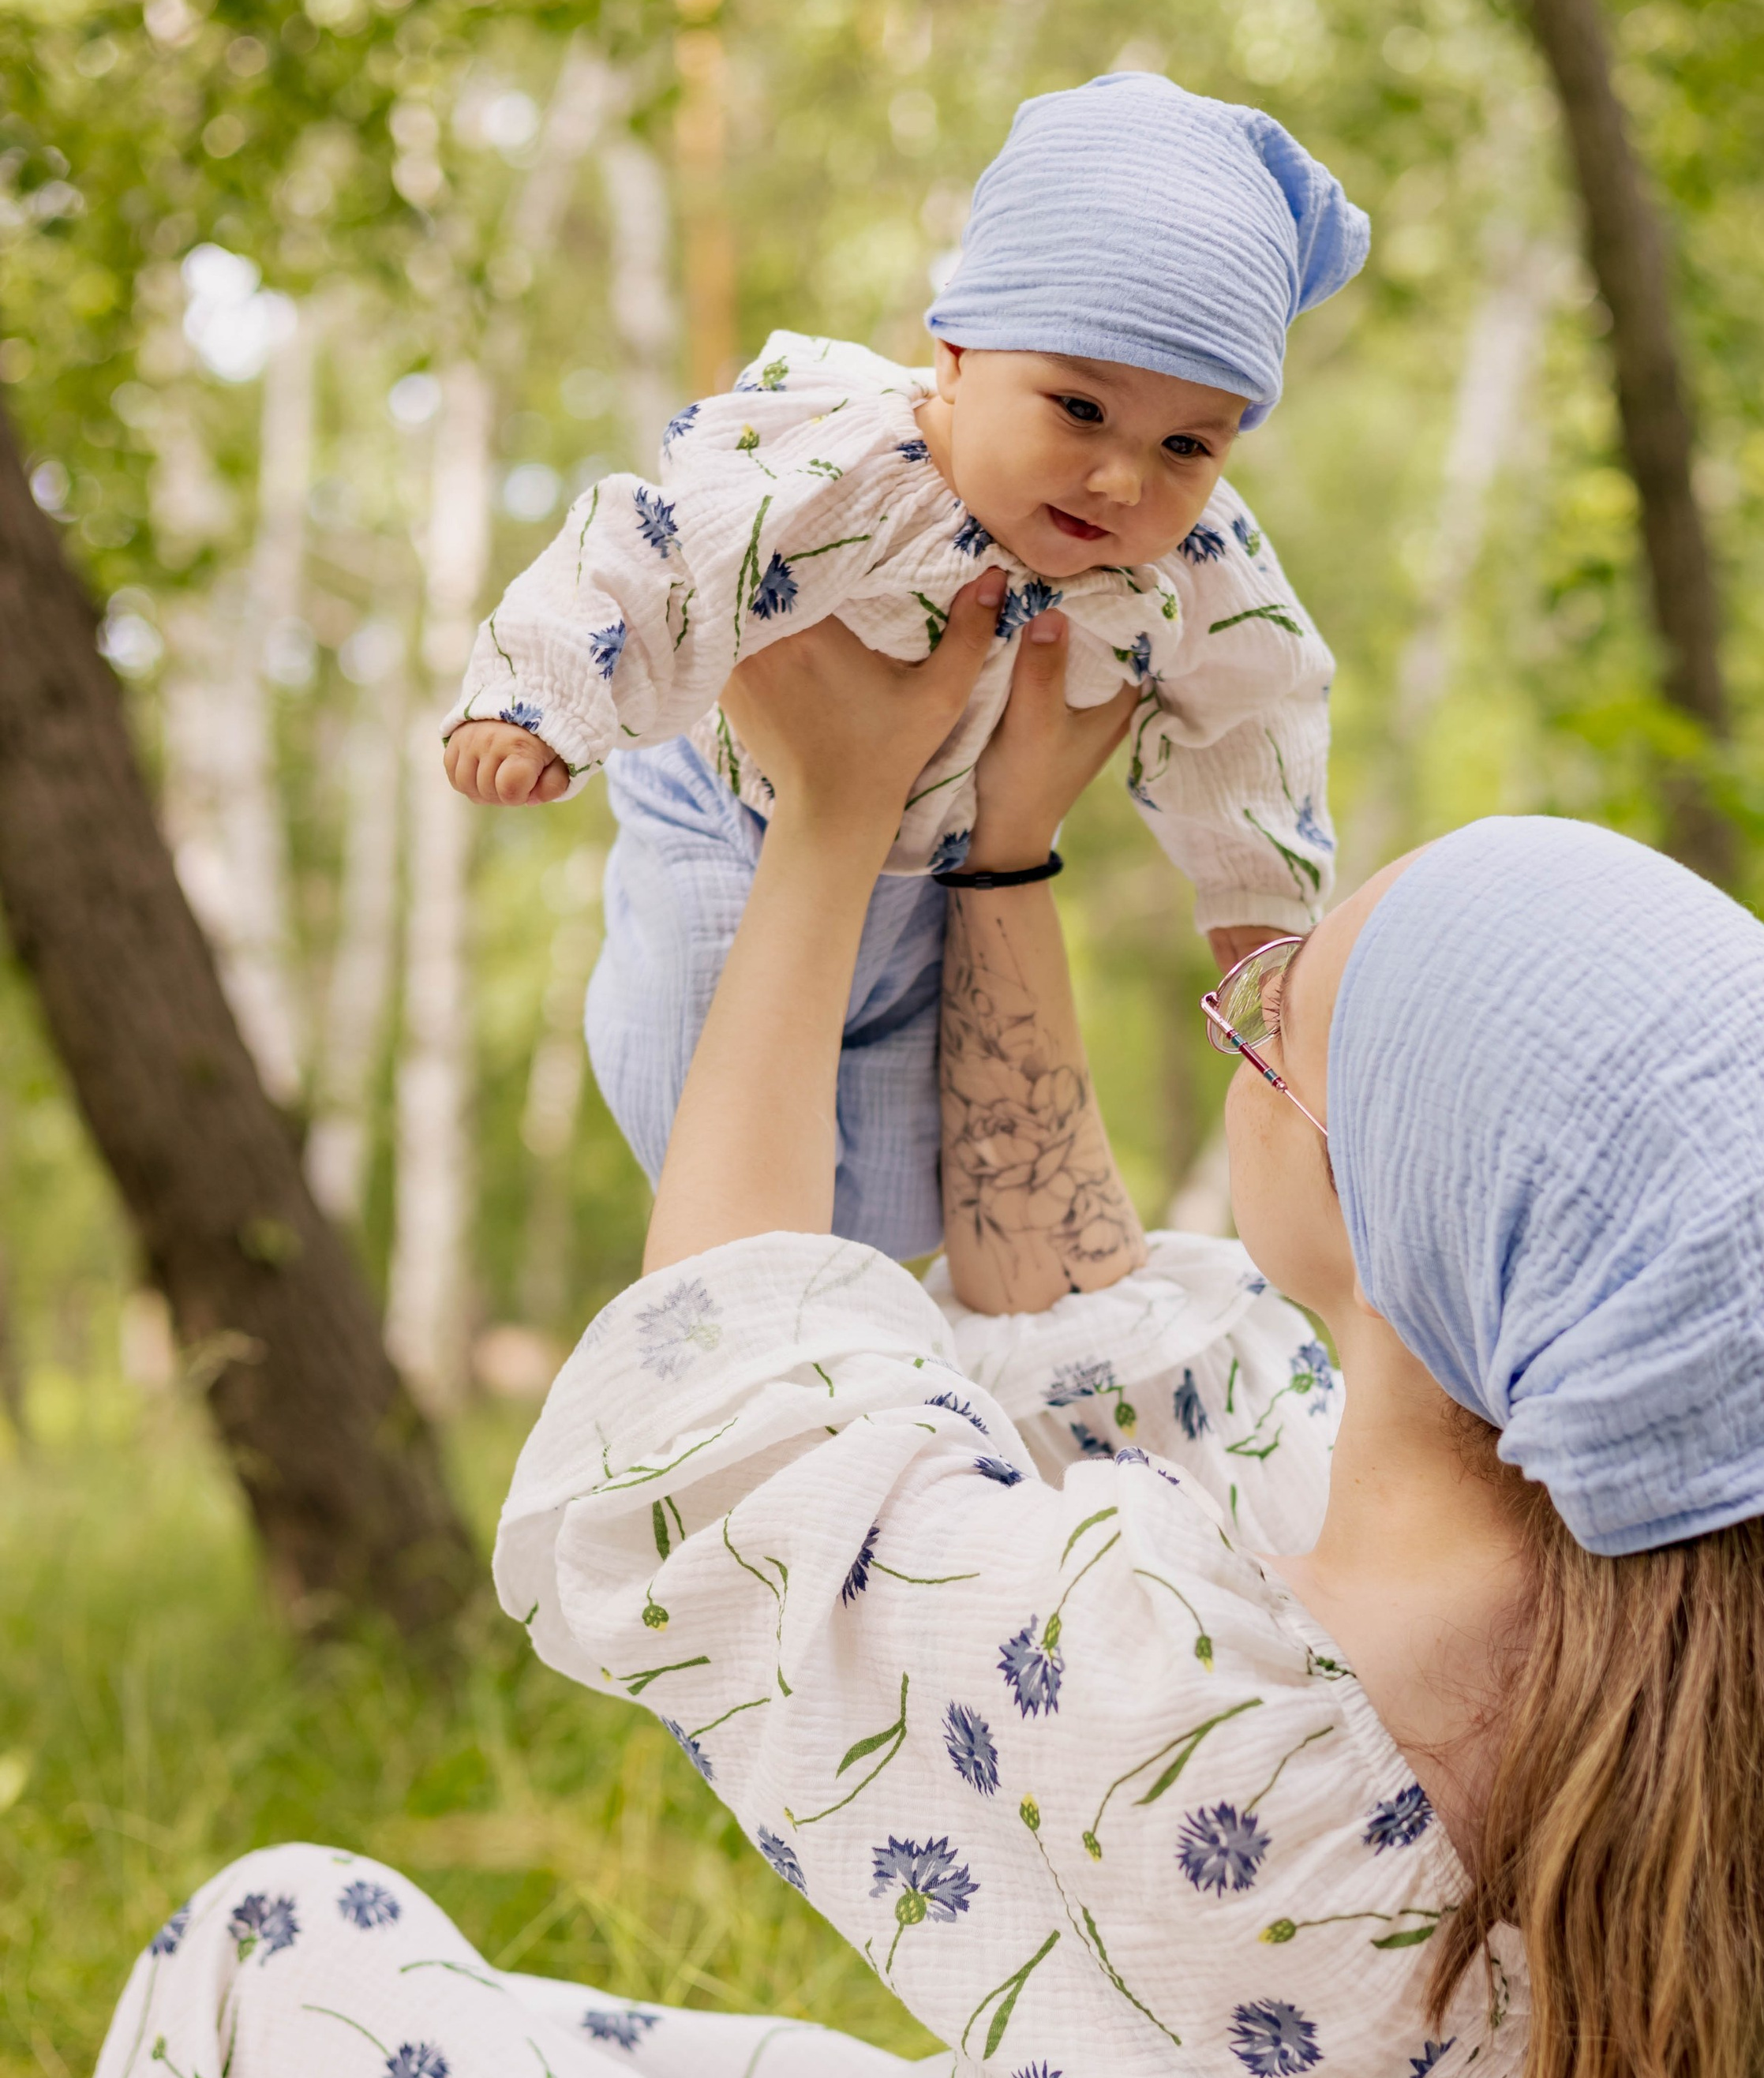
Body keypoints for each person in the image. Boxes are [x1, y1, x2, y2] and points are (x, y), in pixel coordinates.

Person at [4, 586, 1764, 2078]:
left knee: (272, 1957)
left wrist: (828, 823)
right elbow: (1097, 1338)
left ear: (1414, 1233)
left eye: (1278, 1026)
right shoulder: (1619, 1630)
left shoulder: (1224, 1763)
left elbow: (729, 1421)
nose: (1243, 1022)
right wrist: (999, 860)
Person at [440, 70, 1367, 1260]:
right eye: (1080, 410)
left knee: (892, 1206)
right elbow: (646, 551)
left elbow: (1260, 707)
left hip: (934, 874)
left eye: (1187, 444)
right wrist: (534, 702)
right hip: (725, 820)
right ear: (958, 357)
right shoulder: (846, 463)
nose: (1122, 480)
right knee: (704, 1111)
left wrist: (1258, 906)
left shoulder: (1204, 559)